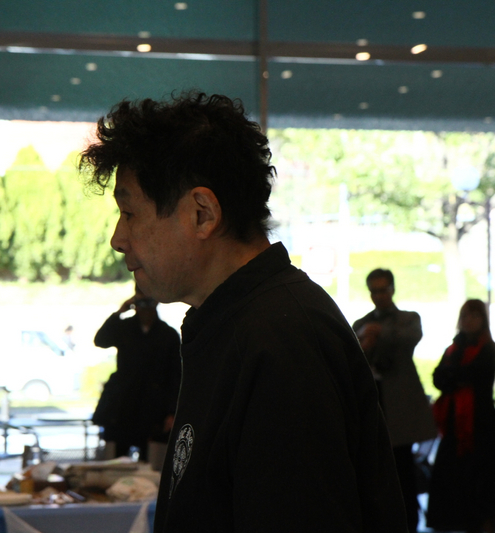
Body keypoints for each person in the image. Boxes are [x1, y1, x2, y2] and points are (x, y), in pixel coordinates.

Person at [80, 92, 407, 533]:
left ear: (202, 214)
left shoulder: (283, 340)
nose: (118, 239)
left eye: (129, 213)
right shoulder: (232, 321)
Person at [352, 268, 437, 532]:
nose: (379, 296)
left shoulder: (408, 319)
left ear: (392, 290)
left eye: (383, 290)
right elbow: (352, 358)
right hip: (374, 405)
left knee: (403, 472)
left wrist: (378, 332)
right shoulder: (361, 324)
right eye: (374, 291)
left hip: (400, 409)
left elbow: (411, 337)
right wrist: (365, 340)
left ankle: (409, 524)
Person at [426, 299, 495, 533]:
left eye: (474, 316)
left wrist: (453, 376)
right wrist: (457, 377)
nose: (469, 321)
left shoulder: (488, 348)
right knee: (452, 479)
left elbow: (475, 376)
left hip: (480, 425)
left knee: (481, 481)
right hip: (455, 425)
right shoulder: (453, 348)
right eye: (465, 316)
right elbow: (439, 378)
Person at [92, 286, 181, 462]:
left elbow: (176, 375)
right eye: (140, 303)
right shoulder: (125, 327)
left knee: (151, 461)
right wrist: (120, 312)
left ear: (156, 302)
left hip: (153, 408)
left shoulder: (168, 334)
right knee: (116, 460)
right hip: (124, 404)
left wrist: (172, 412)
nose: (145, 308)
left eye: (149, 302)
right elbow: (101, 340)